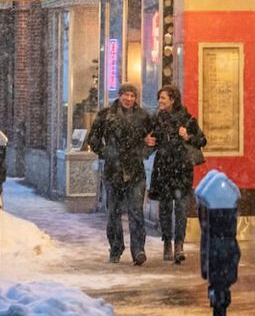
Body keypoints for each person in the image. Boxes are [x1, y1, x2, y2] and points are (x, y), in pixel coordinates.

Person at [87, 83, 152, 265]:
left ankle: (138, 249)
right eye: (126, 95)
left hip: (135, 170)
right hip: (113, 170)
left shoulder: (143, 116)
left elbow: (153, 139)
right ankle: (116, 248)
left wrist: (143, 152)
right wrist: (106, 152)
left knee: (136, 212)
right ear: (120, 95)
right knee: (113, 213)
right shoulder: (106, 115)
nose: (129, 99)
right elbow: (93, 138)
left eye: (132, 96)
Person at [146, 84, 206, 264]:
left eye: (163, 98)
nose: (160, 101)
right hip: (163, 167)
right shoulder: (156, 119)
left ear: (172, 99)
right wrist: (147, 140)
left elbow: (202, 140)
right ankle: (167, 243)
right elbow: (151, 139)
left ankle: (179, 244)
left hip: (181, 168)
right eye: (159, 98)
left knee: (180, 207)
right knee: (165, 208)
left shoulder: (187, 119)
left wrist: (188, 137)